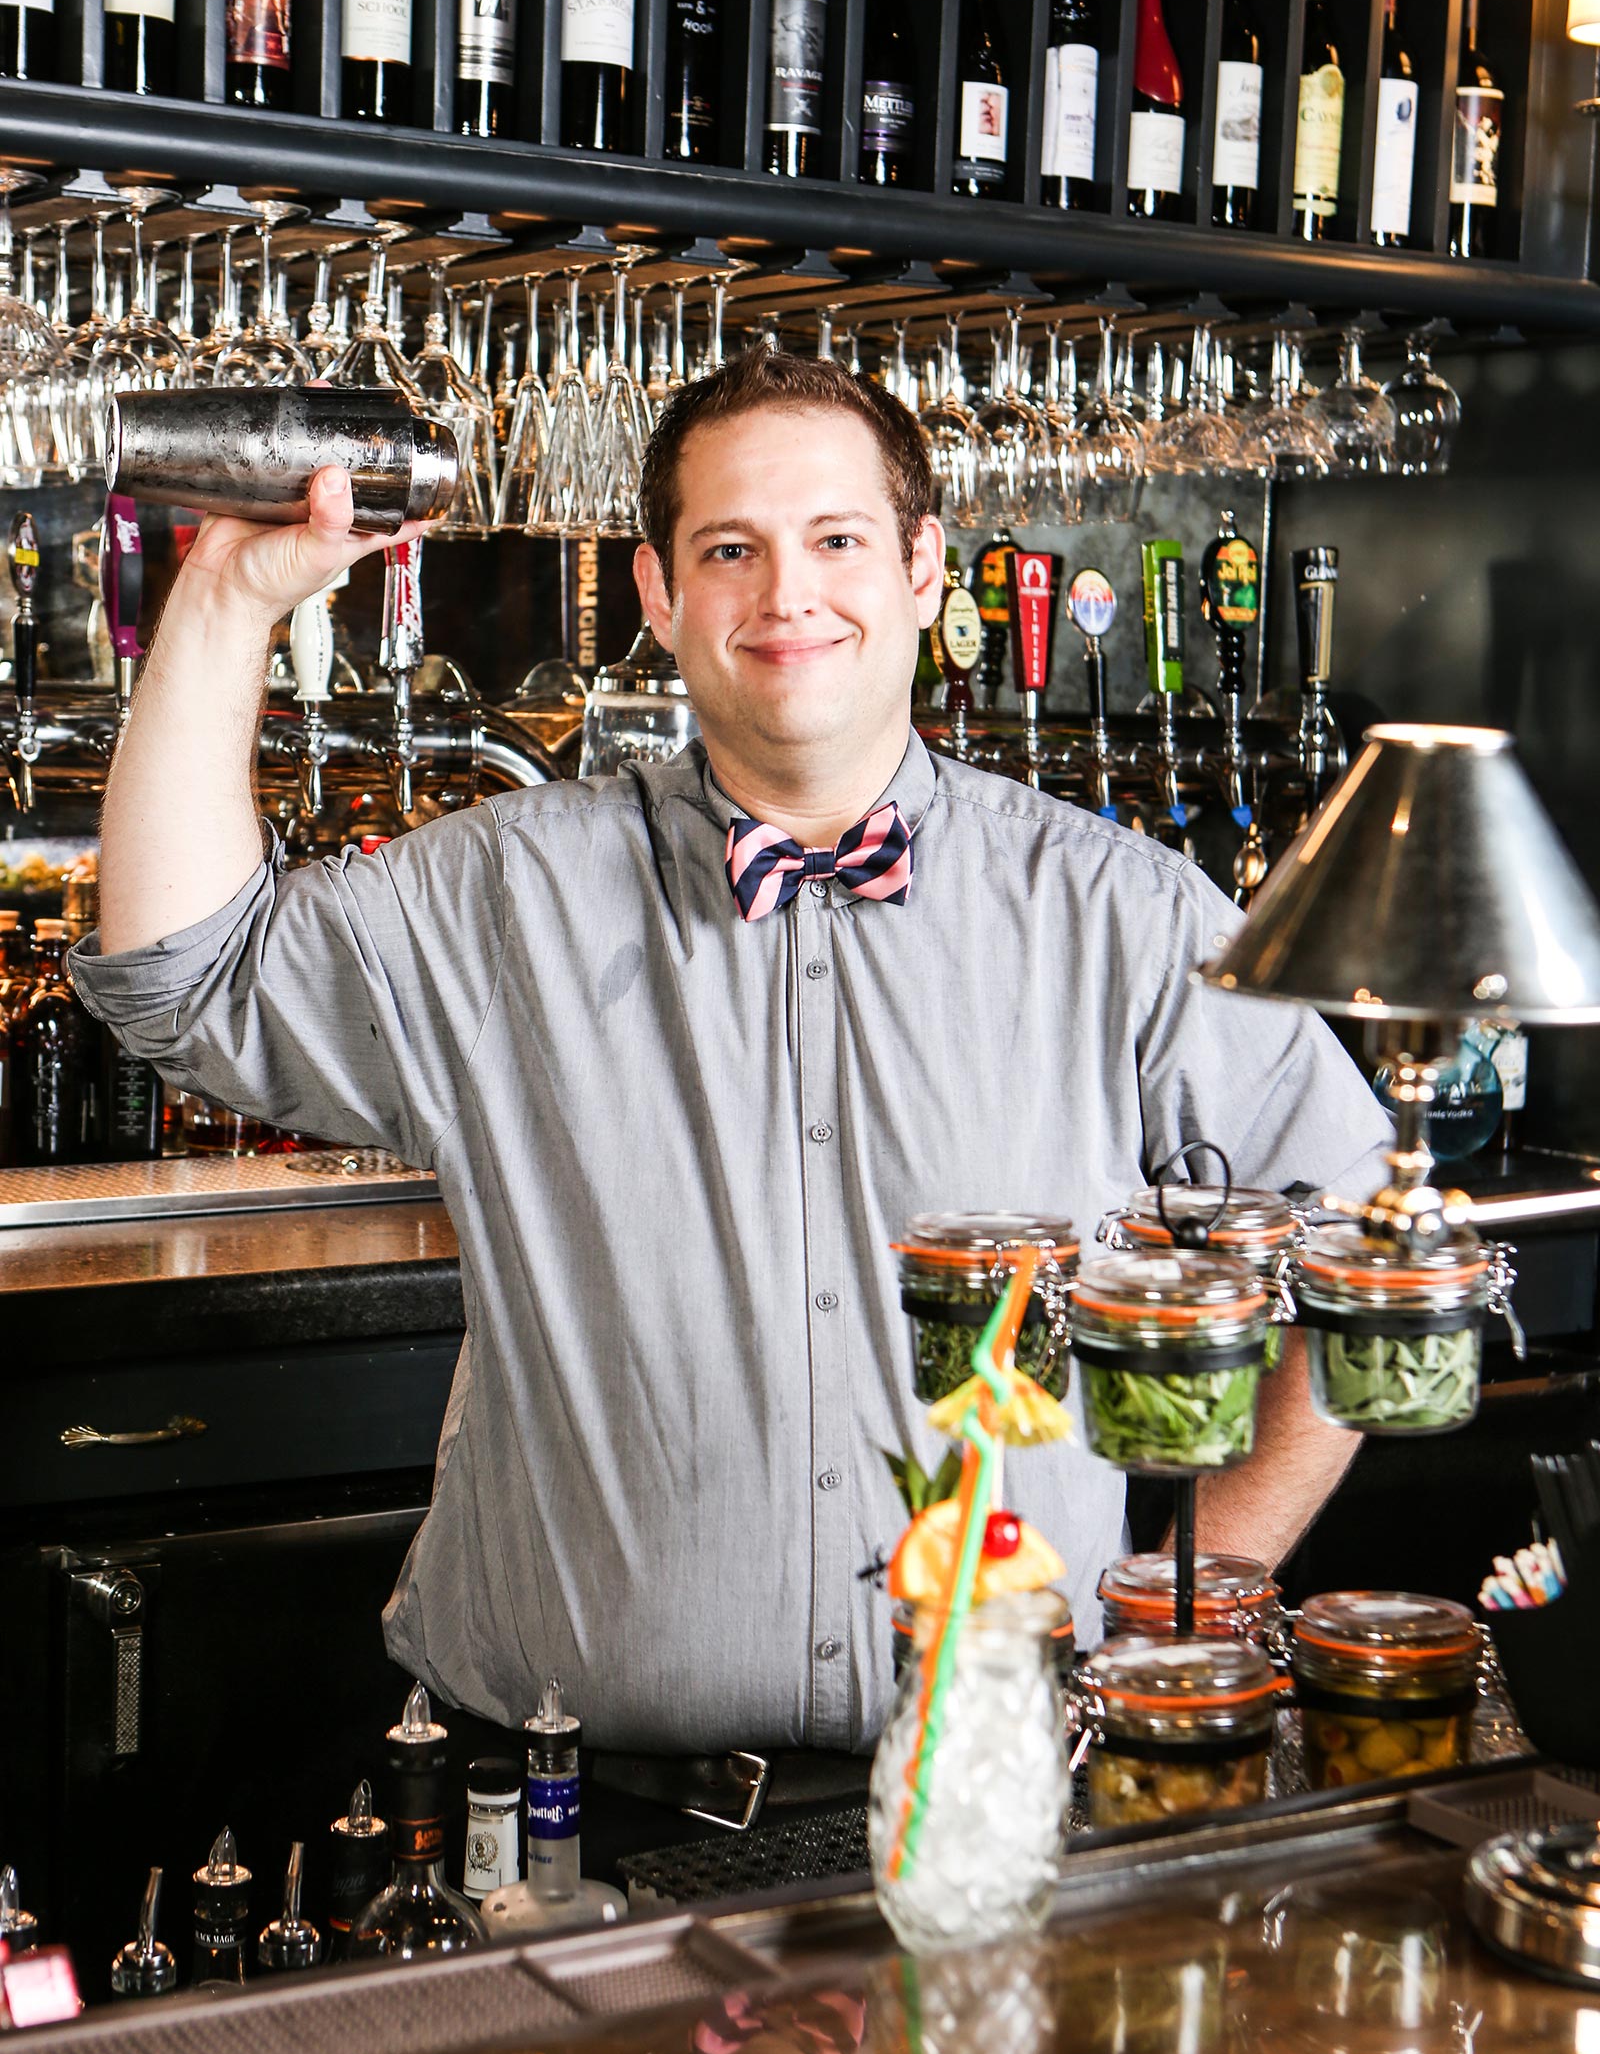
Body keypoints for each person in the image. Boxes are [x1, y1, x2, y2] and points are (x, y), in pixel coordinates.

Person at [74, 349, 1385, 1758]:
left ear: (924, 567)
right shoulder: (501, 894)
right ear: (658, 592)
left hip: (1005, 1785)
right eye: (729, 549)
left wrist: (1193, 1599)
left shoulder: (1116, 909)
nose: (786, 595)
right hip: (568, 1814)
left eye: (836, 539)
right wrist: (221, 603)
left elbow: (1361, 1248)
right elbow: (180, 984)